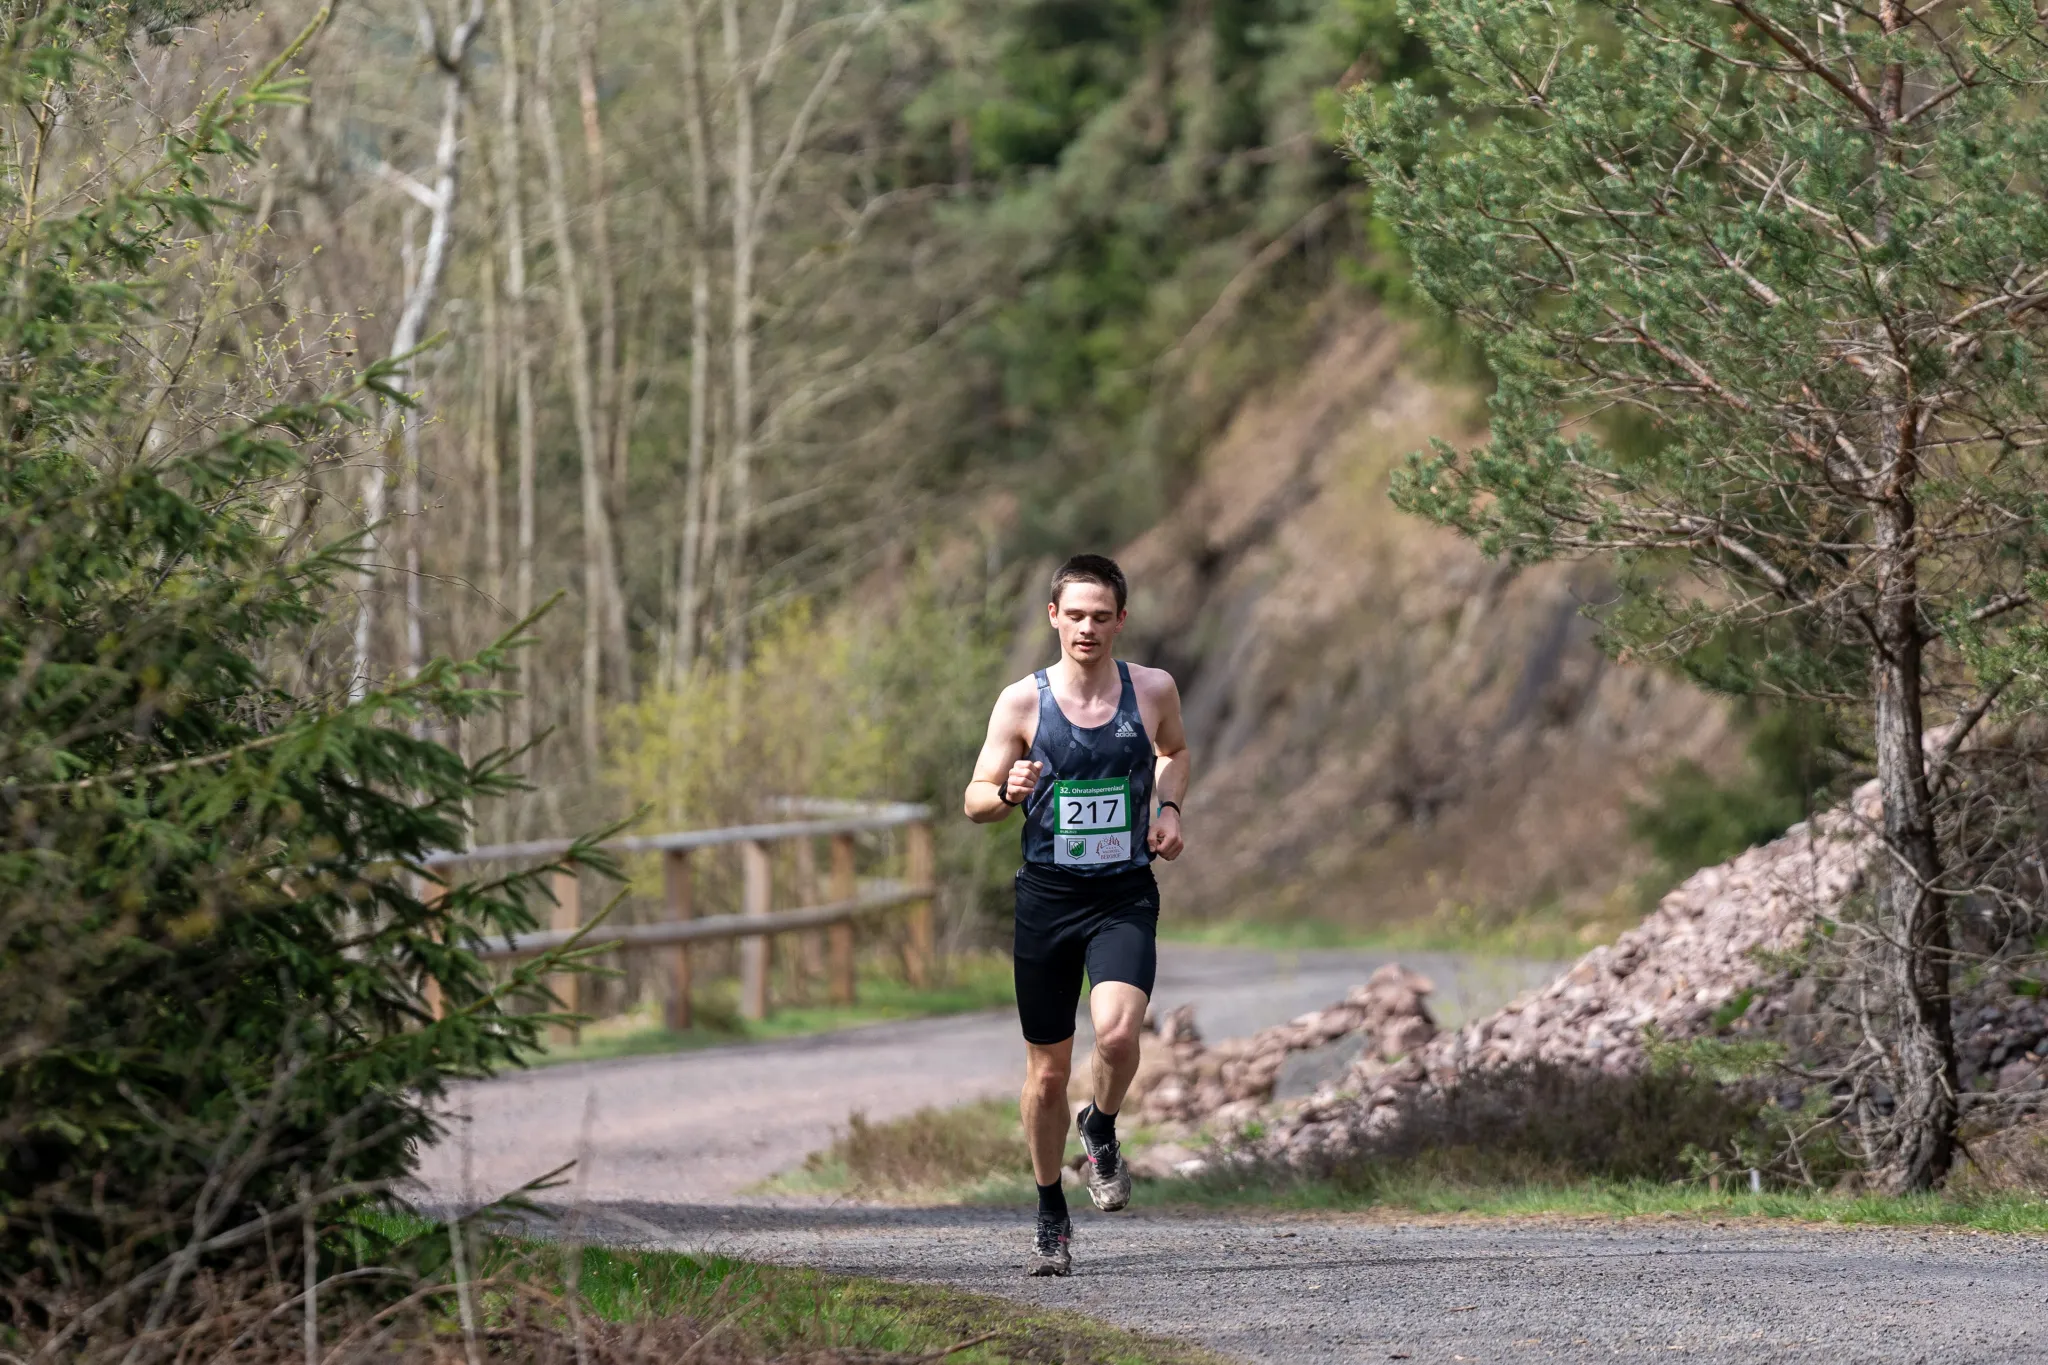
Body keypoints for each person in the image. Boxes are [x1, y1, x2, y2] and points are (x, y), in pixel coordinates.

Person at [963, 554, 1191, 1277]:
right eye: (1075, 615)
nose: (1087, 628)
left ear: (1121, 619)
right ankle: (1049, 1211)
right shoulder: (1021, 703)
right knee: (1047, 1077)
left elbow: (1174, 751)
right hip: (1048, 900)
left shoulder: (1151, 688)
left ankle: (1102, 1125)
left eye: (1101, 615)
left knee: (1119, 1035)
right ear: (1053, 617)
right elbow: (973, 798)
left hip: (1123, 893)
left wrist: (1169, 809)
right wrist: (1008, 790)